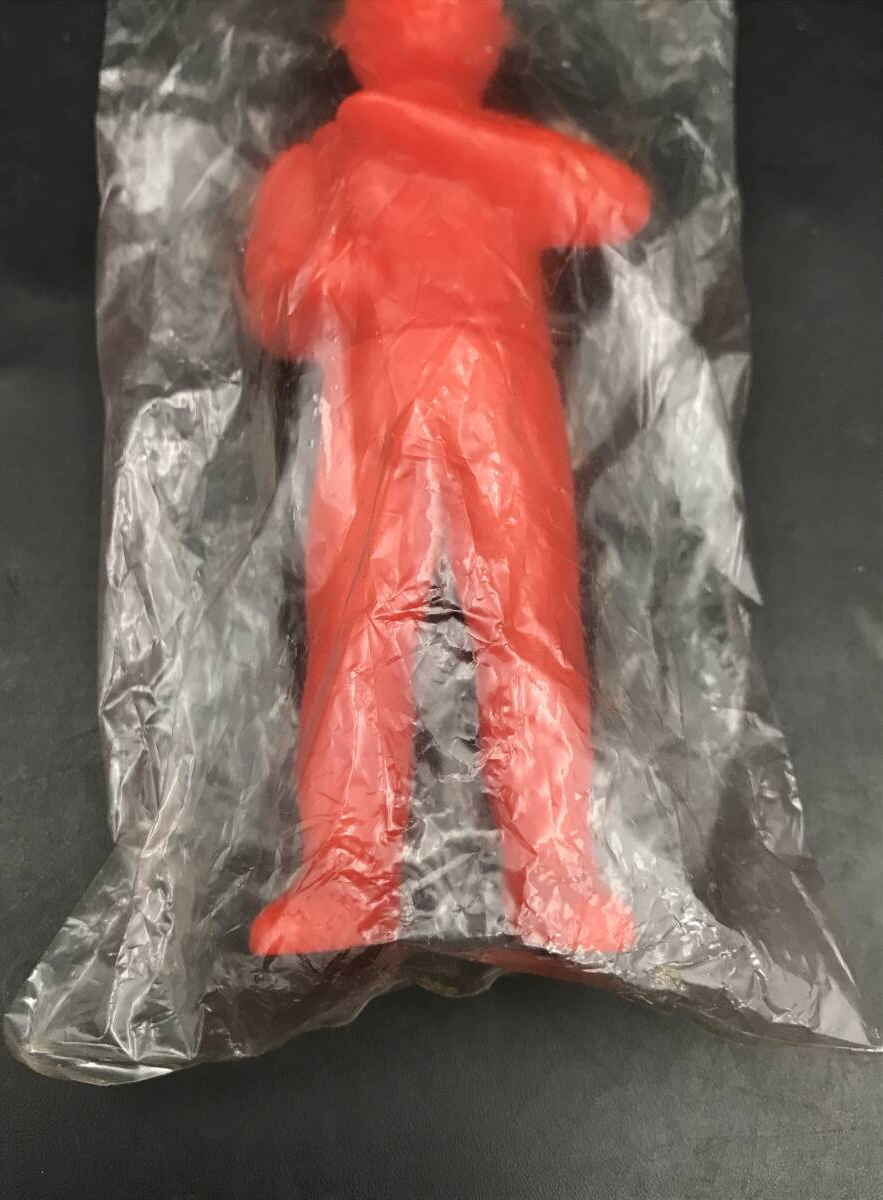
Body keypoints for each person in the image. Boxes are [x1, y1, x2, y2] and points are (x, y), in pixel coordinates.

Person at [245, 0, 651, 958]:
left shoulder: (498, 151)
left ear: (494, 40)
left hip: (504, 396)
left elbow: (615, 203)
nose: (431, 26)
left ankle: (554, 877)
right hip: (374, 397)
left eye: (459, 14)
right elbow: (279, 308)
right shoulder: (316, 165)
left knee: (532, 631)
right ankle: (346, 877)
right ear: (349, 36)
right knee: (358, 634)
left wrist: (430, 134)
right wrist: (327, 282)